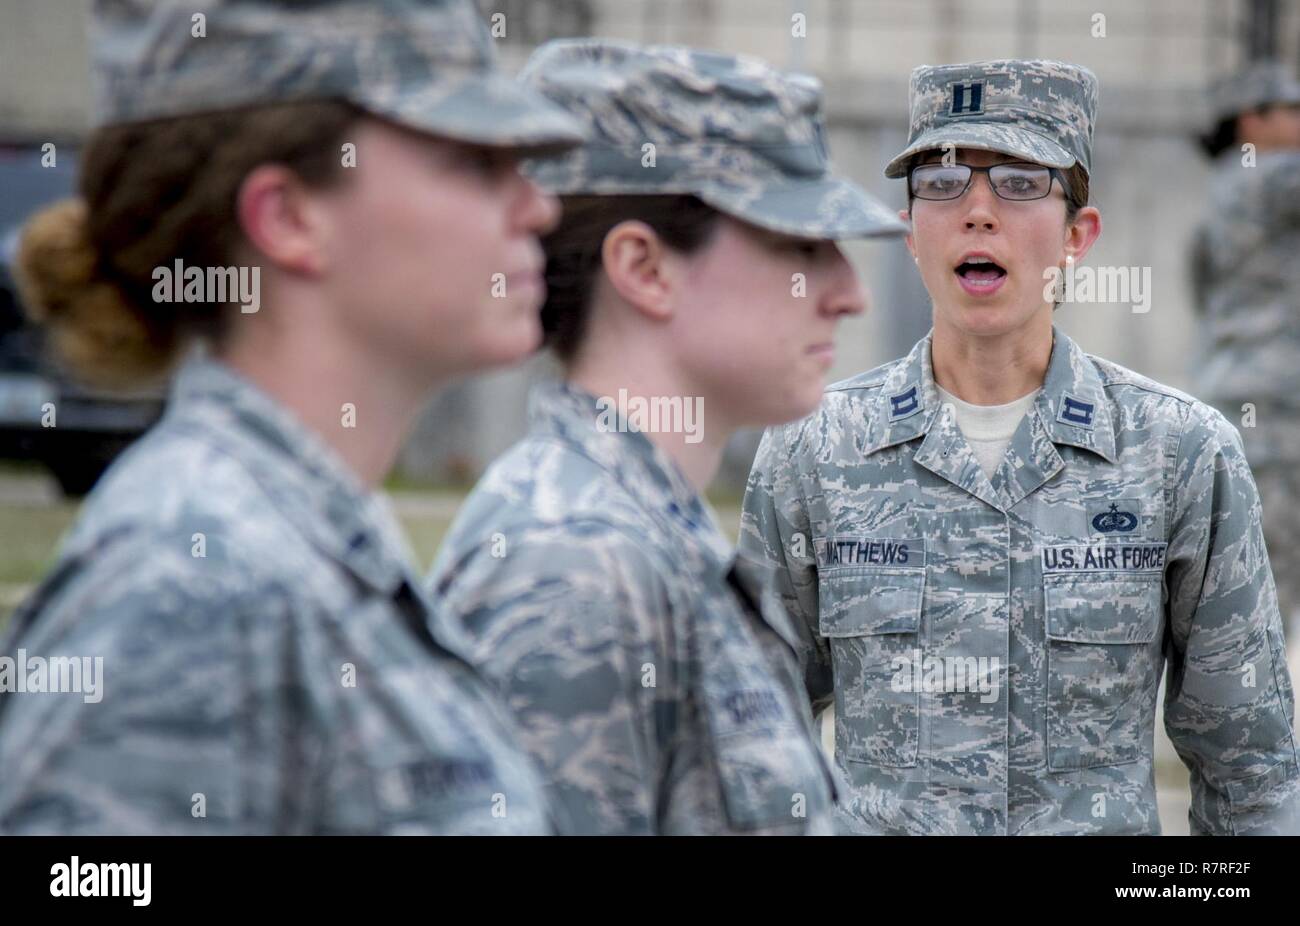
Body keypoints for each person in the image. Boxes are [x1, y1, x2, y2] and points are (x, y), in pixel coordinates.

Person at [0, 0, 585, 835]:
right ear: (288, 217)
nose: (538, 209)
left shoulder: (317, 537)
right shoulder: (190, 584)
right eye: (474, 161)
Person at [740, 59, 1300, 835]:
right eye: (940, 182)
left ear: (1079, 235)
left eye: (1020, 181)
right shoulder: (817, 448)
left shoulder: (1180, 454)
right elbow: (754, 743)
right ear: (910, 232)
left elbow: (1250, 769)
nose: (976, 210)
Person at [427, 38, 908, 834]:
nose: (848, 292)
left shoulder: (649, 539)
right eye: (798, 246)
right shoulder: (576, 564)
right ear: (646, 269)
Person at [1189, 62, 1300, 693]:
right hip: (1278, 412)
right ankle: (1251, 737)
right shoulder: (1277, 175)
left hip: (1233, 395)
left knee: (1243, 575)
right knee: (1271, 578)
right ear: (1253, 121)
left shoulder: (1223, 191)